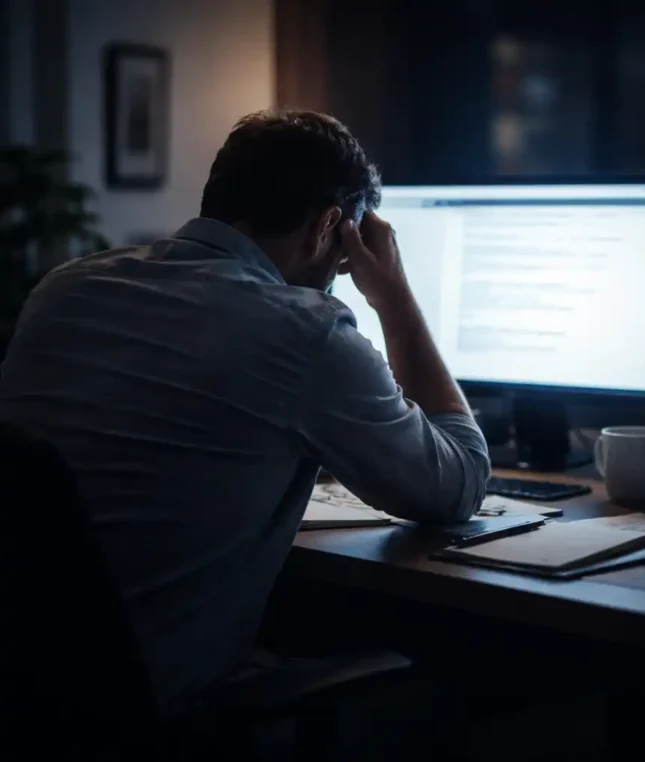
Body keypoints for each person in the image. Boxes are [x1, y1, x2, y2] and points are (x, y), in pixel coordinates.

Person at [0, 110, 489, 715]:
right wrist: (393, 296)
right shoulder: (304, 330)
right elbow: (459, 483)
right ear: (329, 227)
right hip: (153, 707)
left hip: (27, 692)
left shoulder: (63, 289)